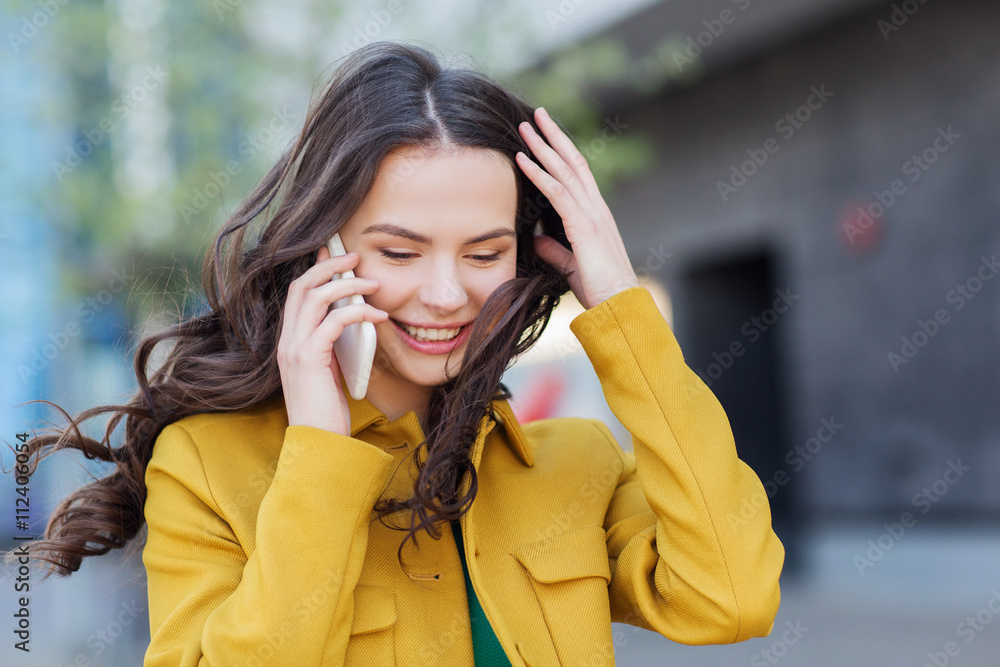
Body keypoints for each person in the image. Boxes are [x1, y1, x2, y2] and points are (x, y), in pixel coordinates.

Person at [10, 40, 783, 665]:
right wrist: (319, 451)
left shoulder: (572, 463)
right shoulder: (209, 467)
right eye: (400, 252)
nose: (446, 295)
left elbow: (733, 595)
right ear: (326, 249)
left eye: (484, 254)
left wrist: (621, 313)